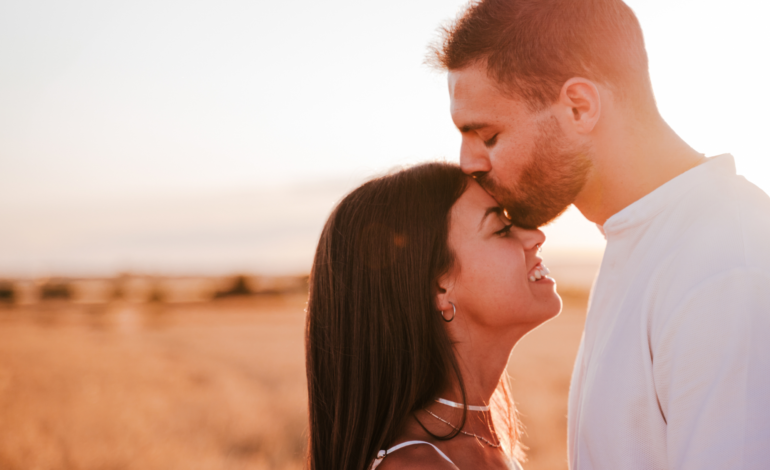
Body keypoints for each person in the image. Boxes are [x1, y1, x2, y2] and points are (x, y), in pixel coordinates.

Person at [430, 0, 770, 468]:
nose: (469, 163)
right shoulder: (641, 237)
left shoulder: (725, 266)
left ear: (578, 106)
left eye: (487, 135)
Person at [305, 162, 561, 469]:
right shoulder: (418, 465)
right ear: (440, 288)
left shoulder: (483, 441)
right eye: (502, 228)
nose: (536, 236)